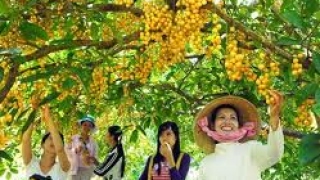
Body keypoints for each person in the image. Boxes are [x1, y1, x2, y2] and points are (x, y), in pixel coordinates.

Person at [194, 90, 284, 180]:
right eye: (221, 117)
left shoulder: (250, 149)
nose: (227, 122)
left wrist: (274, 117)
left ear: (239, 125)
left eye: (233, 118)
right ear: (213, 126)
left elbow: (274, 153)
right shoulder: (206, 163)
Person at [22, 105, 70, 180]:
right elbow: (25, 140)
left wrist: (48, 119)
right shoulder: (31, 163)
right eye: (51, 138)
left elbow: (60, 149)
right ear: (42, 144)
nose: (54, 141)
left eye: (57, 140)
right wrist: (34, 110)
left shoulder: (64, 168)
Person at [66, 115, 98, 180]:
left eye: (89, 125)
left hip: (87, 171)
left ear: (92, 128)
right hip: (74, 170)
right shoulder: (74, 138)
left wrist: (90, 158)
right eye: (85, 125)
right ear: (81, 125)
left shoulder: (94, 143)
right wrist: (75, 150)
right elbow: (66, 151)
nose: (87, 127)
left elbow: (95, 158)